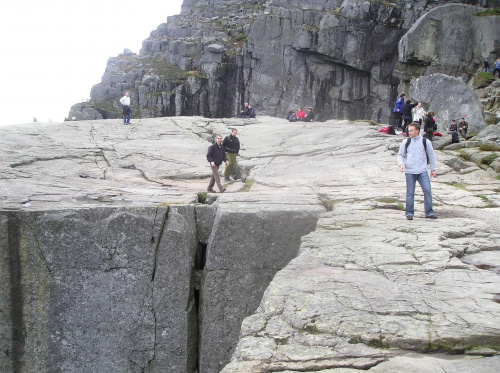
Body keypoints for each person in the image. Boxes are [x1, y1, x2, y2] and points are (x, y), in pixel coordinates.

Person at [397, 123, 437, 220]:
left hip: (422, 171)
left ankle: (429, 212)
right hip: (410, 171)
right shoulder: (406, 142)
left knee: (427, 191)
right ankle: (409, 213)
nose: (409, 132)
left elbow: (431, 156)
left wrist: (433, 169)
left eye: (411, 130)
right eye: (409, 130)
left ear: (417, 131)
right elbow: (400, 155)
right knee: (410, 193)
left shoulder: (425, 141)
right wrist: (401, 164)